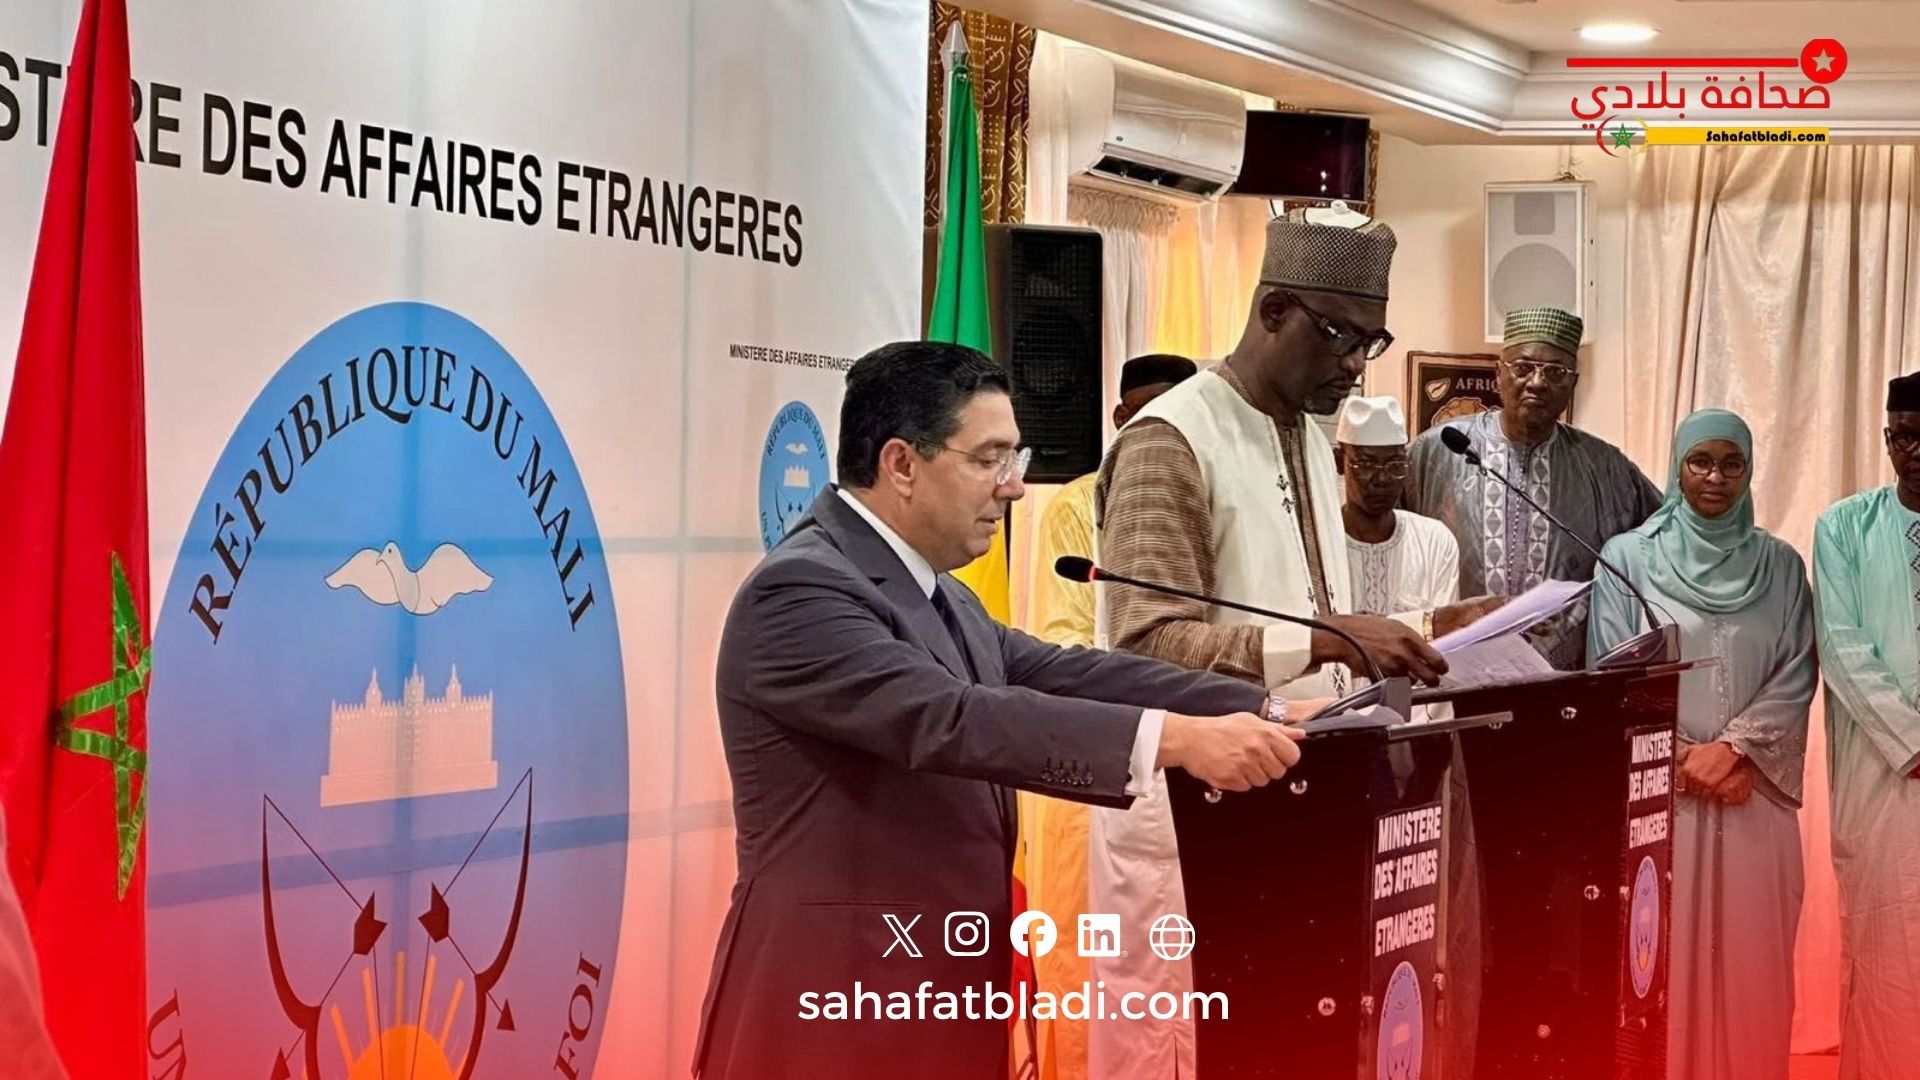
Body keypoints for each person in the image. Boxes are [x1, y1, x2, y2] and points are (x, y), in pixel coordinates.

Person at [692, 341, 1315, 1080]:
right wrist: (1177, 741)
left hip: (936, 1002)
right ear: (901, 464)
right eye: (990, 460)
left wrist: (1268, 705)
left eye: (1013, 459)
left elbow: (1065, 673)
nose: (1014, 487)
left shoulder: (941, 591)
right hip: (833, 1011)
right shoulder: (802, 590)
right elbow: (953, 719)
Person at [1089, 210, 1462, 1080]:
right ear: (1272, 312)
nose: (1356, 364)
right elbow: (1144, 644)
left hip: (1286, 802)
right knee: (1185, 1048)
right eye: (1341, 336)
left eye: (1371, 342)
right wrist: (1323, 642)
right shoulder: (1171, 440)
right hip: (1188, 822)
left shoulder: (1302, 432)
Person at [1590, 409, 1812, 1080]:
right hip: (1662, 801)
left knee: (1753, 961)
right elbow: (1613, 671)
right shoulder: (1628, 558)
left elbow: (1797, 669)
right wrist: (1685, 760)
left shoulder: (1780, 566)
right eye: (1700, 462)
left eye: (1731, 463)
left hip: (1752, 795)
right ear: (1677, 466)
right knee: (1659, 958)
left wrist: (1736, 751)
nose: (1715, 477)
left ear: (1748, 470)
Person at [1021, 352, 1195, 1080]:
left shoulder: (1195, 497)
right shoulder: (1077, 505)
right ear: (1119, 418)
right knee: (1086, 970)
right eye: (1144, 415)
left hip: (1190, 764)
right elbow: (1066, 645)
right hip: (1095, 774)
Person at [1405, 306, 1662, 668]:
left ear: (1573, 383)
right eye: (1523, 367)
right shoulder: (1438, 451)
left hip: (1560, 677)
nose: (1538, 382)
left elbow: (1665, 536)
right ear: (1498, 374)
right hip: (1451, 671)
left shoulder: (1605, 467)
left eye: (1556, 371)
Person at [1812, 372, 1920, 1080]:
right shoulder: (1845, 527)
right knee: (1886, 950)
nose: (1915, 452)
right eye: (1903, 437)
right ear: (1886, 439)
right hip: (1883, 776)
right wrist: (1914, 744)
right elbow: (1841, 647)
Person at [1032, 354, 1199, 649]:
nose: (1169, 429)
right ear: (1121, 417)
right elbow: (1067, 632)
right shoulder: (1078, 504)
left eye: (1184, 415)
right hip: (1116, 673)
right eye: (1157, 414)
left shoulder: (1211, 496)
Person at [1335, 394, 1462, 618]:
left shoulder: (1434, 541)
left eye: (1395, 465)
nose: (1382, 478)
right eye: (1366, 464)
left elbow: (1443, 630)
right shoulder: (1321, 542)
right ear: (1339, 461)